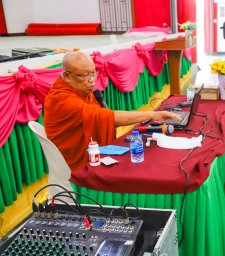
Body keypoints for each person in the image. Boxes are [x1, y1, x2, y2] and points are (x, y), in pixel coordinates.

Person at [44, 52, 180, 170]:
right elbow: (108, 117)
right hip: (72, 162)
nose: (91, 80)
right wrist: (153, 114)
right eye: (84, 76)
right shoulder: (64, 100)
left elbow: (100, 117)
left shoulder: (79, 89)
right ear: (67, 76)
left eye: (93, 73)